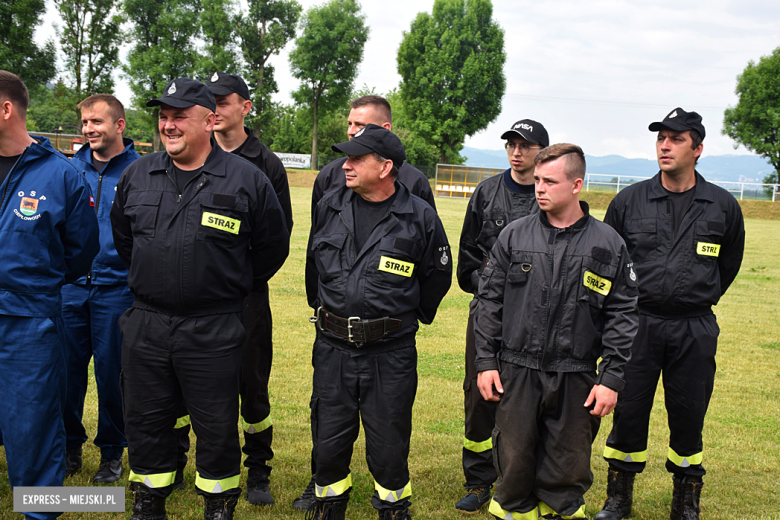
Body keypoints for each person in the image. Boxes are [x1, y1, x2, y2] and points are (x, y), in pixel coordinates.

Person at [110, 78, 289, 520]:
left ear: (209, 121)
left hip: (214, 326)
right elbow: (125, 241)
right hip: (147, 324)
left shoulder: (247, 179)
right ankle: (148, 502)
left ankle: (218, 506)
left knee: (216, 427)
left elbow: (271, 247)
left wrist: (220, 284)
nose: (168, 126)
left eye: (179, 116)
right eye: (163, 116)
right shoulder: (138, 174)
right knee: (146, 422)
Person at [595, 109, 745, 520]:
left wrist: (696, 295)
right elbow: (610, 261)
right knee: (628, 410)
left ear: (697, 149)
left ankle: (686, 500)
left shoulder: (723, 206)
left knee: (689, 412)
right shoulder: (630, 201)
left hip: (694, 326)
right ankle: (619, 498)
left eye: (676, 139)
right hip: (638, 324)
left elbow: (727, 264)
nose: (664, 145)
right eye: (661, 137)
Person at [474, 143, 639, 520]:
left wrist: (610, 378)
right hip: (517, 373)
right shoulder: (514, 237)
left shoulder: (608, 244)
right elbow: (489, 304)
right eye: (537, 181)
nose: (540, 189)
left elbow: (623, 314)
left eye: (550, 181)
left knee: (567, 473)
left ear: (577, 184)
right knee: (514, 468)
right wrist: (486, 362)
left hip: (576, 377)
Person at [295, 94, 438, 513]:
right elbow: (312, 265)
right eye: (346, 158)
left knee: (389, 443)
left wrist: (404, 317)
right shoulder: (329, 206)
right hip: (333, 349)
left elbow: (436, 276)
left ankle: (393, 508)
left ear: (385, 167)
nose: (346, 165)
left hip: (389, 354)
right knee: (329, 439)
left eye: (358, 158)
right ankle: (328, 506)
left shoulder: (419, 216)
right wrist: (325, 310)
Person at [165, 71, 293, 507]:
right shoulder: (183, 156)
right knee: (180, 382)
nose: (216, 108)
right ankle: (176, 459)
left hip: (245, 300)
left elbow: (276, 239)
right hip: (190, 302)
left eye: (225, 100)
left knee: (251, 383)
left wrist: (235, 283)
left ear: (246, 108)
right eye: (211, 101)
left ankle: (258, 468)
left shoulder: (266, 164)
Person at [0, 70, 99, 520]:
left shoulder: (61, 175)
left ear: (6, 109)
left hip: (29, 324)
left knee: (34, 426)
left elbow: (80, 253)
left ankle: (41, 513)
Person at [454, 119, 548, 513]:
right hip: (489, 314)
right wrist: (493, 291)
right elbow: (466, 262)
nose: (516, 151)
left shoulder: (551, 194)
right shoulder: (487, 193)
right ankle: (478, 480)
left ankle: (525, 479)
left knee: (532, 398)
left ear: (542, 150)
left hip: (539, 318)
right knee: (480, 397)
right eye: (511, 143)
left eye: (525, 145)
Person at [62, 94, 140, 484]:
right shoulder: (67, 169)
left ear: (119, 125)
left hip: (116, 290)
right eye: (85, 123)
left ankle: (112, 453)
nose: (90, 129)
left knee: (113, 376)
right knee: (65, 373)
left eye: (97, 122)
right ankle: (68, 446)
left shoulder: (141, 171)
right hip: (71, 289)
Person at [310, 94, 436, 214]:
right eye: (349, 124)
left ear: (385, 129)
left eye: (359, 125)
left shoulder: (415, 182)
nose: (351, 131)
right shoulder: (328, 176)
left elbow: (427, 227)